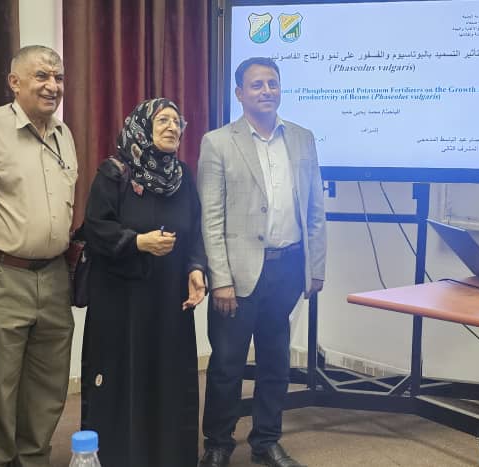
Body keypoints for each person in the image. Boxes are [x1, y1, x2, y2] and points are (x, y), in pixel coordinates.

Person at [197, 56, 327, 467]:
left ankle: (266, 441)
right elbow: (210, 217)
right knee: (227, 364)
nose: (266, 90)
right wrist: (220, 279)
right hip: (237, 275)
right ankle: (218, 444)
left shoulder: (302, 139)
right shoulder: (218, 142)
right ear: (239, 93)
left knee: (275, 361)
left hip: (287, 268)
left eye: (272, 83)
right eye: (257, 85)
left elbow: (315, 209)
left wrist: (315, 267)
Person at [0, 45, 78, 467]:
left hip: (54, 276)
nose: (52, 86)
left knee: (49, 382)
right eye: (41, 76)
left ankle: (33, 458)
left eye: (58, 78)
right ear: (14, 82)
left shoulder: (64, 134)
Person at [79, 98, 208, 467]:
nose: (172, 127)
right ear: (141, 127)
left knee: (168, 376)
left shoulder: (182, 178)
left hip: (169, 300)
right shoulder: (114, 173)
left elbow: (195, 231)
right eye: (162, 120)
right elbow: (96, 229)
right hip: (121, 299)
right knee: (124, 376)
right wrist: (138, 242)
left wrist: (196, 268)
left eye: (177, 122)